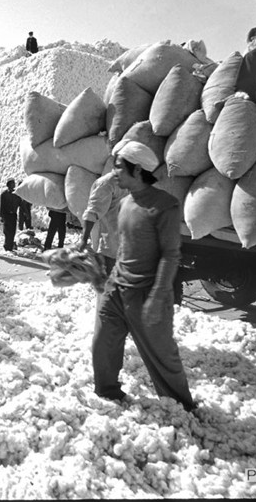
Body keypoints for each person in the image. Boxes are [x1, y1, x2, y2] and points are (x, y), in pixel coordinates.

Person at [92, 141, 195, 411]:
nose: (114, 173)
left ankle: (181, 408)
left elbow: (170, 255)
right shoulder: (125, 203)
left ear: (137, 170)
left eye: (118, 168)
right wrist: (111, 282)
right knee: (103, 343)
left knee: (162, 357)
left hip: (147, 293)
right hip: (116, 287)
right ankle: (108, 392)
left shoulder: (165, 206)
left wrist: (157, 296)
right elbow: (124, 247)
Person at [77, 169, 127, 274]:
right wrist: (84, 240)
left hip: (129, 246)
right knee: (110, 282)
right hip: (111, 247)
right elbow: (92, 213)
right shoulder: (107, 183)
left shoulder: (135, 183)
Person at [0, 179, 21, 251]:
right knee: (7, 231)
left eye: (14, 183)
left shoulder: (17, 194)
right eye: (12, 183)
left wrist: (25, 212)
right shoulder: (4, 194)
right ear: (9, 185)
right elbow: (2, 206)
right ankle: (7, 245)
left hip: (13, 215)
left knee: (12, 231)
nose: (14, 185)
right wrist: (1, 216)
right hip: (6, 215)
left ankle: (10, 245)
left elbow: (20, 203)